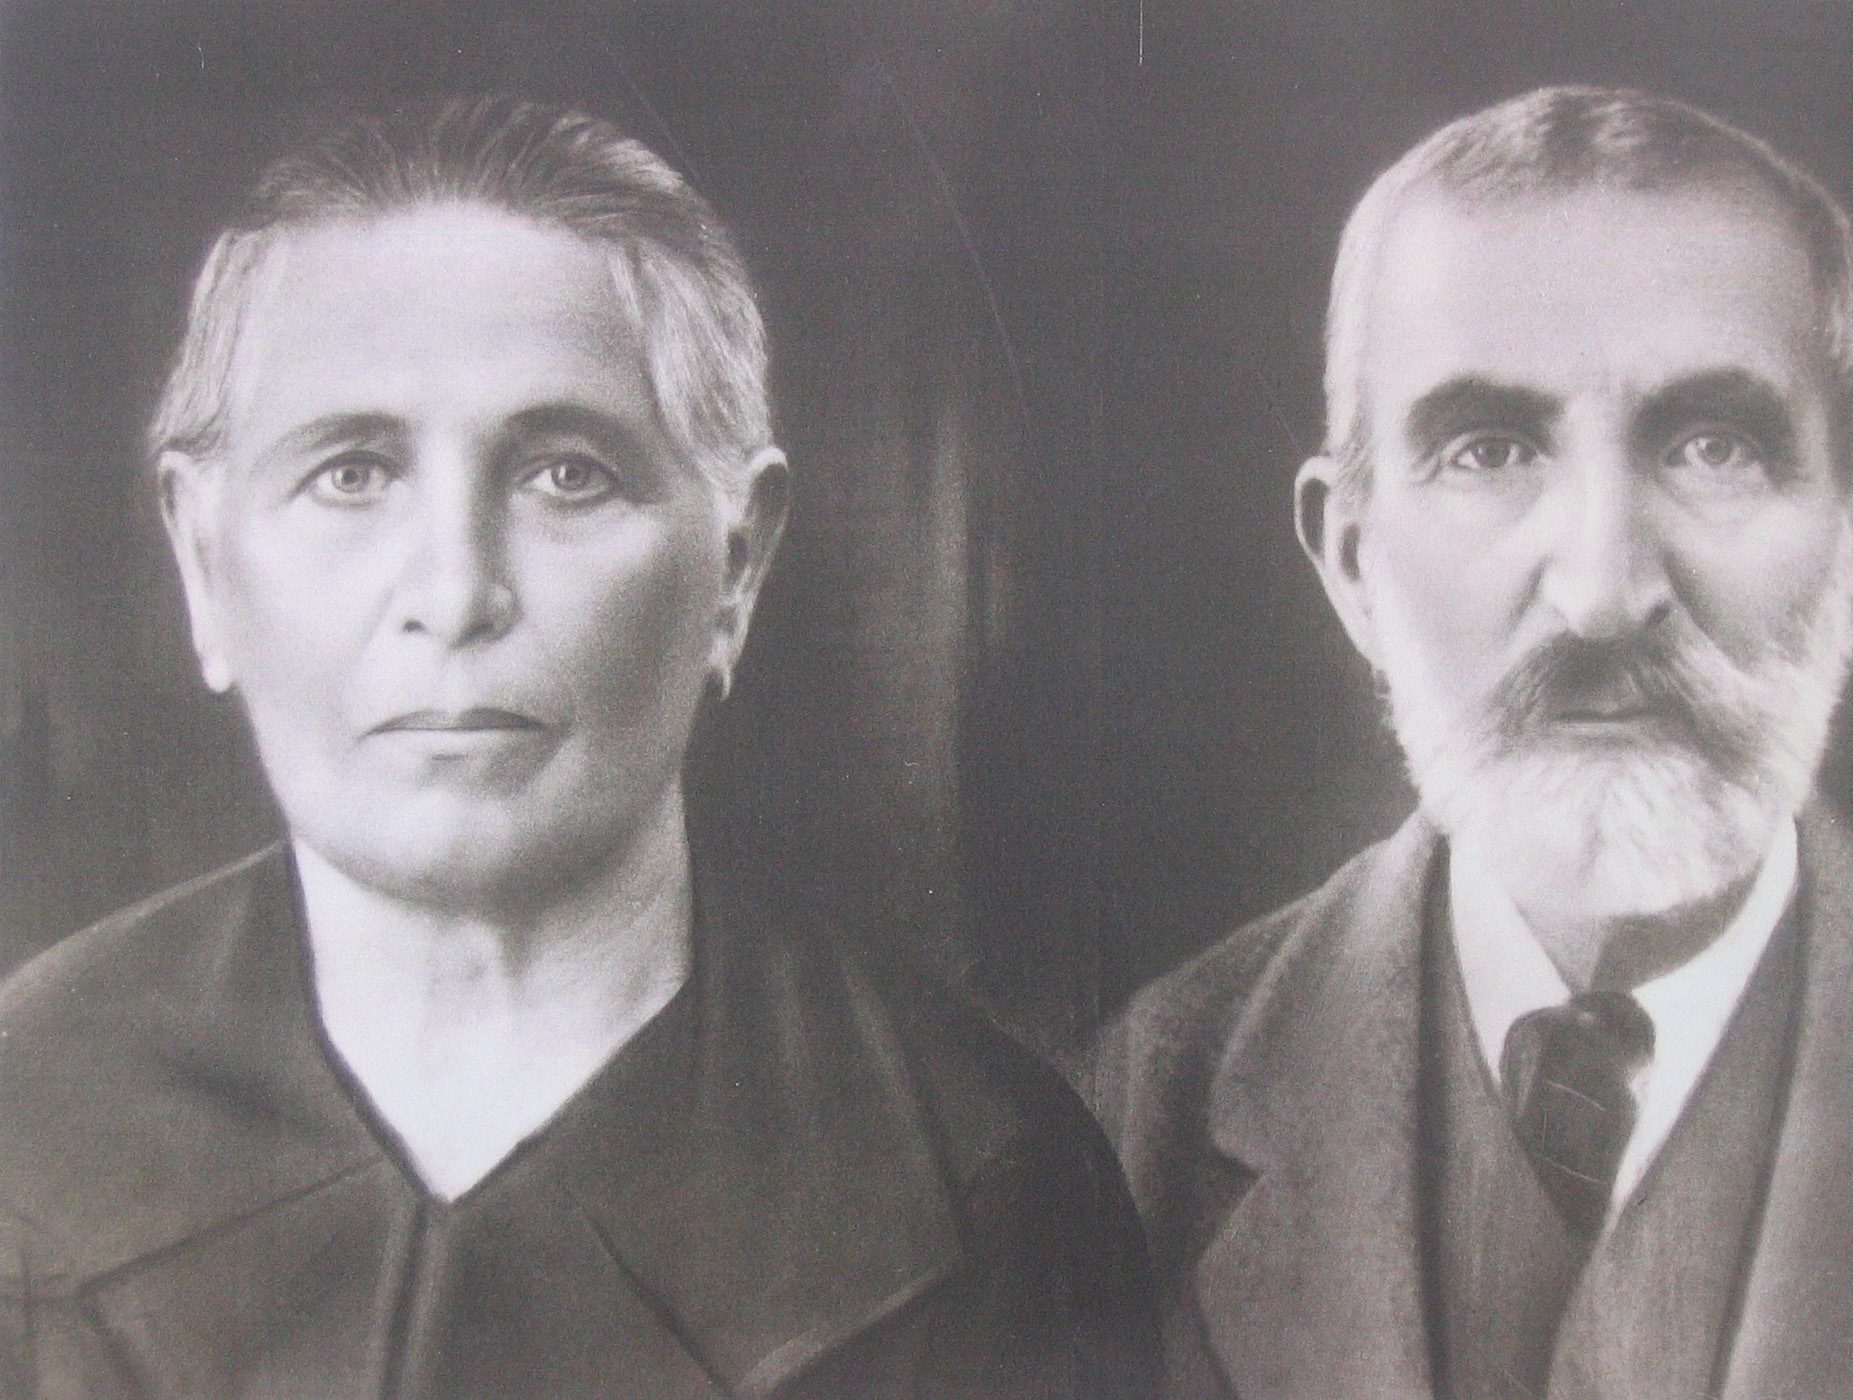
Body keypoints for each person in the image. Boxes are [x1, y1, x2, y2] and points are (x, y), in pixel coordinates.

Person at [0, 96, 1155, 1399]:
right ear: (206, 563)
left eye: (566, 474)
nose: (455, 593)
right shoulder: (25, 1126)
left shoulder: (988, 1183)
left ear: (735, 565)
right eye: (352, 474)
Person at [1092, 86, 1853, 1400]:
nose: (1601, 593)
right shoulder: (1121, 1126)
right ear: (1352, 562)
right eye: (1488, 451)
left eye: (1712, 447)